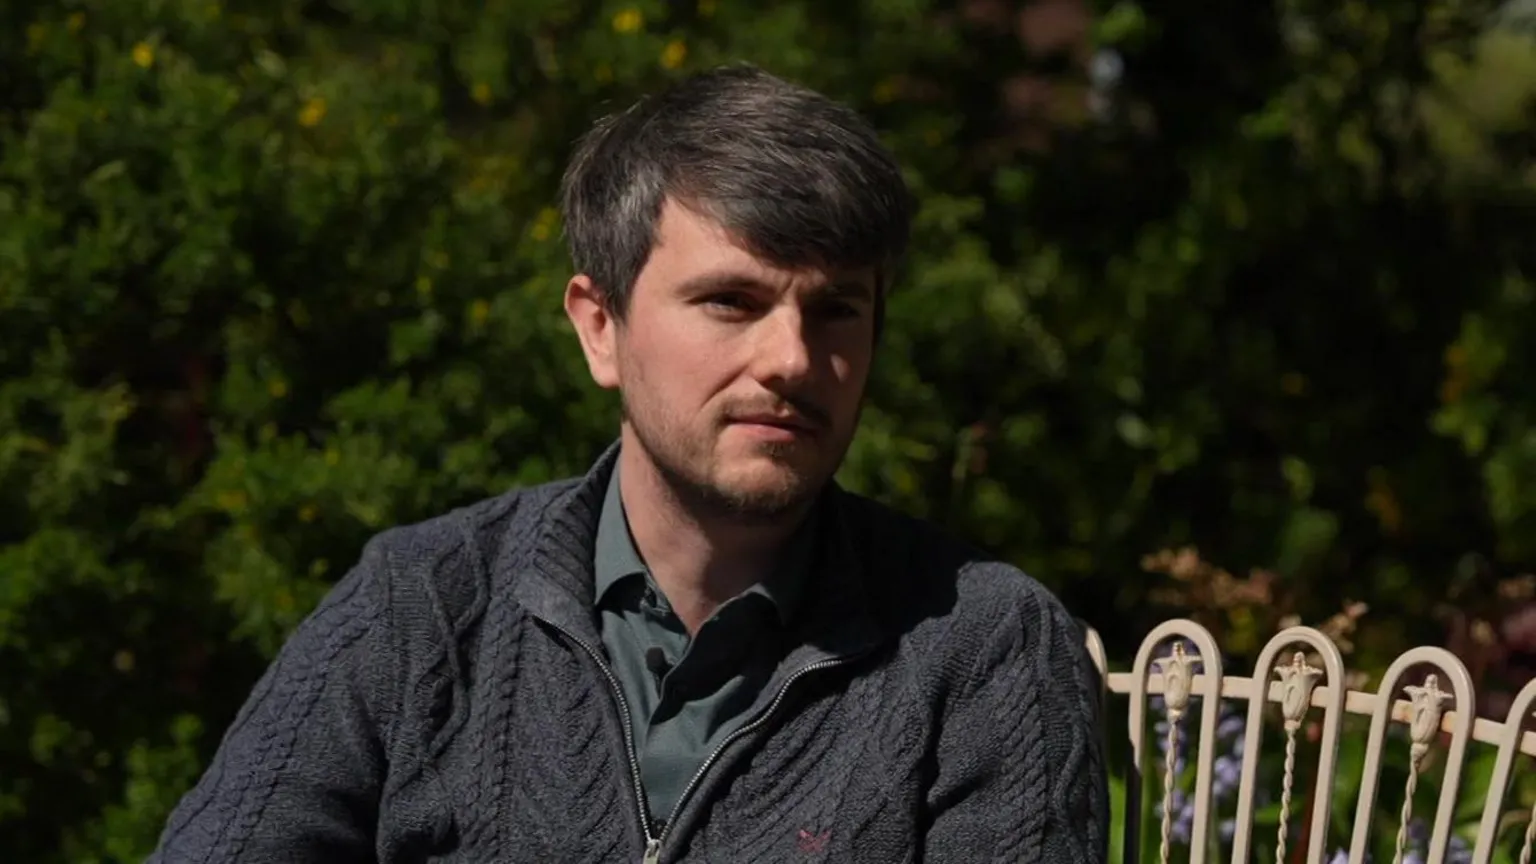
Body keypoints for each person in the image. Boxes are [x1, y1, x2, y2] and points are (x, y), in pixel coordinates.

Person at [149, 63, 1107, 863]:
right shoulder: (425, 611)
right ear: (599, 327)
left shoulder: (984, 650)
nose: (792, 358)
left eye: (836, 309)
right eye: (732, 301)